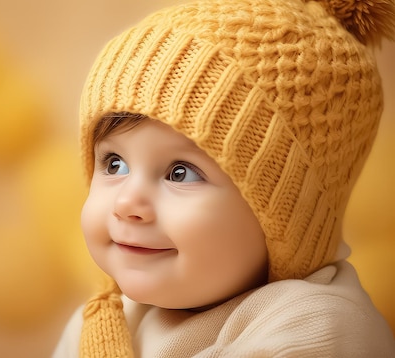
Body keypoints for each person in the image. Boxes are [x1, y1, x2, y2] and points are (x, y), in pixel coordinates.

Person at [53, 0, 395, 356]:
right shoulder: (103, 320)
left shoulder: (316, 325)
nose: (126, 204)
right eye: (114, 164)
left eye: (179, 173)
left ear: (286, 214)